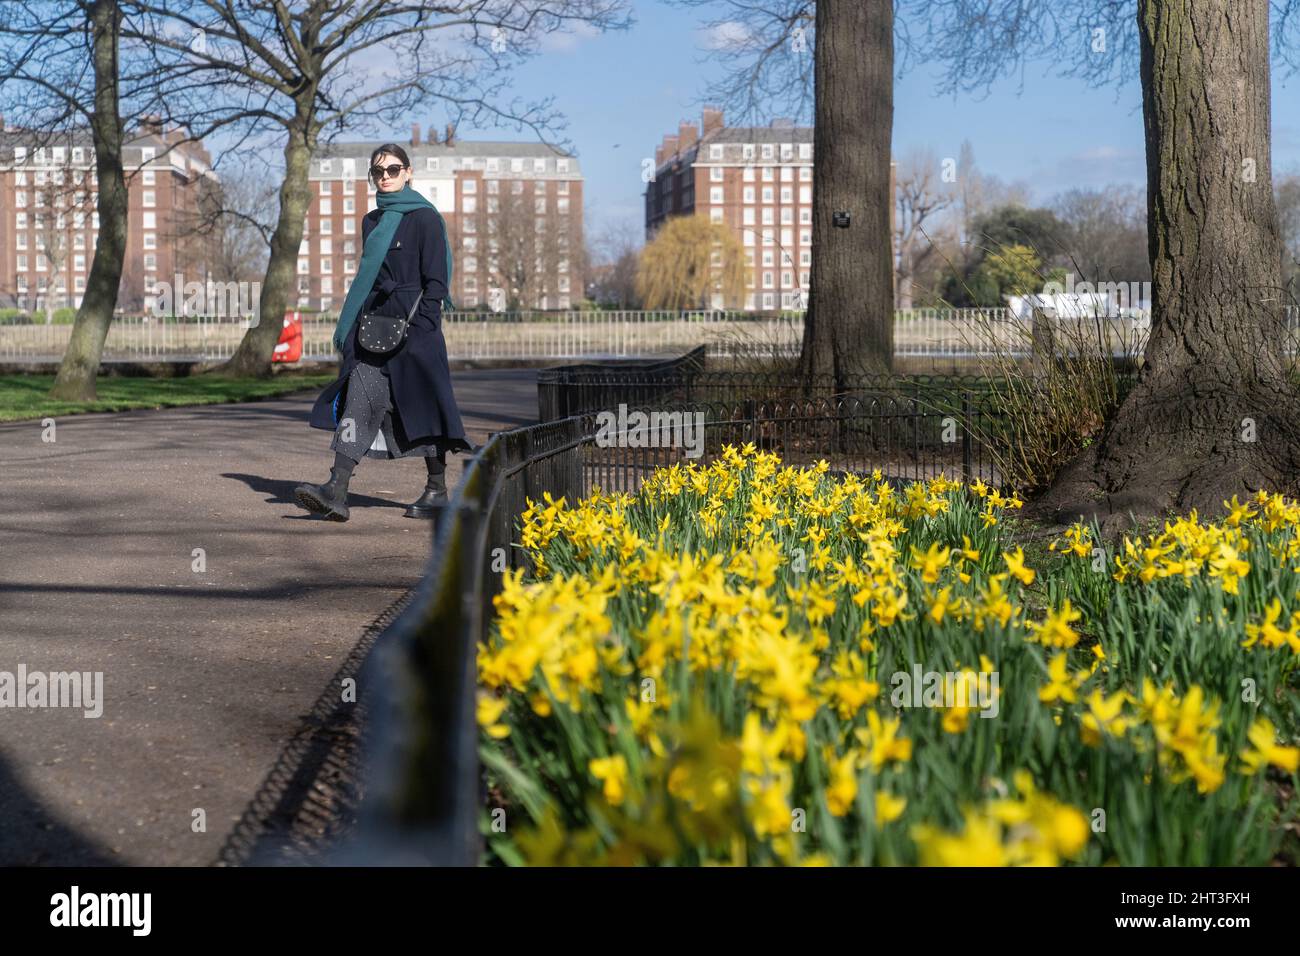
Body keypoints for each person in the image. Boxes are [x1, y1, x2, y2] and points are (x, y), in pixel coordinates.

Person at [294, 143, 472, 522]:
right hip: (373, 327)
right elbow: (369, 278)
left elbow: (436, 281)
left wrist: (423, 326)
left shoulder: (425, 218)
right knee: (359, 400)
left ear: (408, 172)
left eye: (393, 169)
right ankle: (336, 489)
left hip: (416, 329)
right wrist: (355, 324)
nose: (386, 177)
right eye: (379, 172)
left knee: (423, 407)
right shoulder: (371, 221)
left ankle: (437, 489)